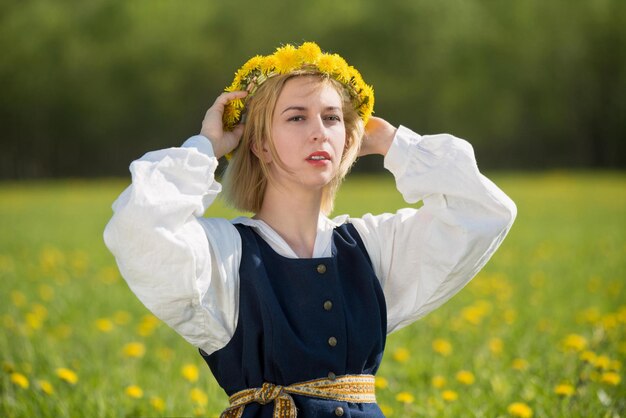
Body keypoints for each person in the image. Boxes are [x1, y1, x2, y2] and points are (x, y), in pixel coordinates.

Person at [104, 42, 516, 417]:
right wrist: (205, 147)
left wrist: (393, 142)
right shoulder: (224, 256)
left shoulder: (370, 248)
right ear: (261, 145)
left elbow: (484, 211)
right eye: (297, 117)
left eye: (332, 118)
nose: (319, 131)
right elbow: (138, 227)